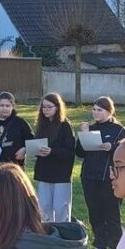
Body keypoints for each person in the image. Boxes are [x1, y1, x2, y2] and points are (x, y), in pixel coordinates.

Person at [75, 96, 125, 249]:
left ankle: (115, 248)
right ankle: (99, 245)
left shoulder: (118, 129)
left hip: (109, 177)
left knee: (111, 213)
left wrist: (112, 147)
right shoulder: (90, 128)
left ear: (109, 111)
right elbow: (80, 153)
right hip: (89, 176)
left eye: (100, 110)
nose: (96, 113)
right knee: (95, 213)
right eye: (94, 109)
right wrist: (83, 135)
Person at [32, 93, 77, 222]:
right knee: (44, 207)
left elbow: (69, 152)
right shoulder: (42, 125)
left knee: (60, 208)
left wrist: (52, 151)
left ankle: (62, 237)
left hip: (61, 173)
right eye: (43, 107)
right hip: (44, 171)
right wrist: (36, 149)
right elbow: (37, 144)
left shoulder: (65, 126)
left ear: (57, 108)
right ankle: (48, 235)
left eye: (49, 107)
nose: (45, 110)